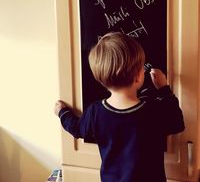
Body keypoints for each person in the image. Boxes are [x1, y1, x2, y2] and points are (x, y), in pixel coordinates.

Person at [54, 32, 185, 182]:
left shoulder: (95, 112)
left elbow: (77, 129)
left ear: (100, 79)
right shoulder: (152, 111)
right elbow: (177, 123)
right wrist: (164, 88)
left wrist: (62, 112)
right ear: (138, 77)